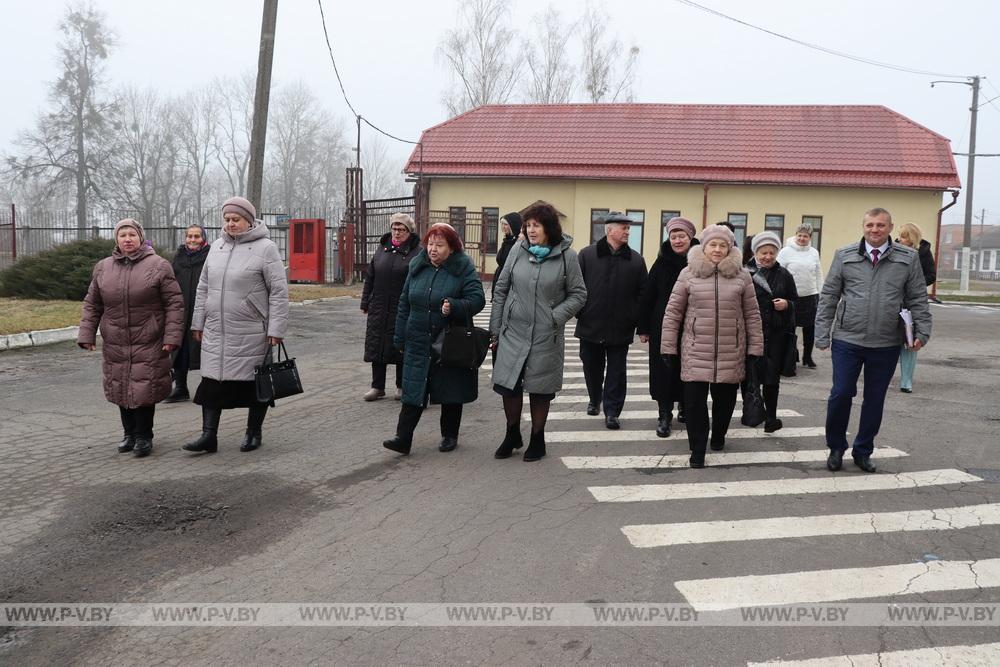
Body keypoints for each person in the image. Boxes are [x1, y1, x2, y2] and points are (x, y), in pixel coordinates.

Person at [816, 208, 932, 473]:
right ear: (863, 226)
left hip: (886, 342)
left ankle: (863, 450)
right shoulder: (844, 255)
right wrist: (822, 332)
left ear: (890, 227)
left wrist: (922, 332)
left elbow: (917, 297)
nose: (875, 230)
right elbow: (829, 295)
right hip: (848, 339)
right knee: (841, 393)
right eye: (870, 225)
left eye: (881, 225)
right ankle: (836, 447)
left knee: (875, 398)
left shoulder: (908, 258)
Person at [185, 196, 289, 454]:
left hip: (252, 330)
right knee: (211, 383)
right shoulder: (217, 247)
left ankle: (253, 432)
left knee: (255, 386)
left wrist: (276, 329)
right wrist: (198, 322)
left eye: (236, 219)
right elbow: (203, 288)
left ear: (249, 221)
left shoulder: (266, 248)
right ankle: (208, 436)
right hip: (216, 330)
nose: (231, 224)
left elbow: (278, 291)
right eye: (227, 219)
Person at [77, 219, 185, 457]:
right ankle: (129, 434)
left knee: (144, 388)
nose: (127, 239)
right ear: (116, 239)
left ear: (140, 238)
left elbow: (175, 304)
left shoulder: (159, 265)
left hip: (149, 338)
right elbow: (92, 303)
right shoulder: (103, 267)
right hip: (116, 340)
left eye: (132, 235)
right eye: (122, 235)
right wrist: (87, 334)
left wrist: (172, 337)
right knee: (121, 387)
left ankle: (144, 436)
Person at [490, 202, 587, 462]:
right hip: (513, 331)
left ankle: (537, 437)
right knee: (508, 385)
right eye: (528, 225)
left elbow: (579, 294)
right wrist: (496, 329)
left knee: (539, 388)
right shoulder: (518, 250)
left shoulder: (568, 256)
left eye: (537, 225)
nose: (531, 230)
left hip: (546, 333)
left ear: (549, 228)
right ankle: (512, 434)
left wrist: (555, 316)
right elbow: (501, 289)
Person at [661, 224, 764, 468]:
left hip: (731, 350)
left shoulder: (742, 275)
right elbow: (673, 312)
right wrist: (667, 347)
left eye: (722, 245)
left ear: (730, 248)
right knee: (695, 403)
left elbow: (752, 314)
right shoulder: (688, 273)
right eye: (712, 245)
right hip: (695, 349)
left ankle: (718, 435)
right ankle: (697, 449)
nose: (717, 250)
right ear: (704, 247)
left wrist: (755, 349)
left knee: (725, 402)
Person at [382, 223, 486, 455]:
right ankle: (403, 438)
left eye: (439, 245)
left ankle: (449, 435)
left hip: (448, 340)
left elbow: (477, 299)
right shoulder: (417, 266)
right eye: (430, 244)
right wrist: (399, 337)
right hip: (417, 337)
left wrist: (456, 306)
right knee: (413, 388)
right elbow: (404, 303)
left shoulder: (463, 268)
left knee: (449, 387)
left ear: (452, 248)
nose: (433, 249)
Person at [574, 212, 648, 429]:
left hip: (621, 326)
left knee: (617, 371)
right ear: (609, 230)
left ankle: (612, 412)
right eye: (623, 228)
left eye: (628, 228)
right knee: (591, 365)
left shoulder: (636, 260)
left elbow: (643, 294)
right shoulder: (587, 255)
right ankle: (594, 398)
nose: (627, 232)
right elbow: (576, 287)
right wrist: (581, 312)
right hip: (591, 323)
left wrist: (635, 318)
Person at [636, 217, 698, 437]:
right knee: (663, 370)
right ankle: (664, 414)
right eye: (673, 237)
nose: (677, 240)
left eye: (682, 236)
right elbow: (647, 295)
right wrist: (643, 328)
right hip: (663, 325)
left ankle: (685, 406)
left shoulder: (700, 261)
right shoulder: (661, 262)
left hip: (693, 326)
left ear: (691, 238)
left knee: (689, 369)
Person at [361, 213, 420, 401]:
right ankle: (377, 386)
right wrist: (365, 302)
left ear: (409, 232)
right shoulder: (382, 249)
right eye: (394, 228)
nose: (397, 232)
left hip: (402, 307)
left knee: (400, 346)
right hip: (378, 305)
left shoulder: (416, 252)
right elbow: (370, 276)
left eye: (401, 229)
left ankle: (401, 386)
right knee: (377, 345)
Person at [745, 231, 799, 433]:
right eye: (763, 252)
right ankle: (752, 411)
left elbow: (796, 302)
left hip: (776, 335)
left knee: (771, 380)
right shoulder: (745, 273)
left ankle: (771, 417)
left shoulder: (784, 274)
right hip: (752, 333)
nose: (767, 257)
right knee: (751, 378)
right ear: (755, 252)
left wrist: (787, 304)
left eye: (772, 252)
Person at [164, 224, 211, 403]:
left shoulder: (211, 257)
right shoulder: (178, 258)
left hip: (203, 311)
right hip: (181, 311)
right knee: (179, 349)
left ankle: (207, 387)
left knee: (204, 350)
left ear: (203, 238)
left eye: (196, 236)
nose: (192, 240)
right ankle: (181, 387)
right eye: (189, 236)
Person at [895, 222, 937, 393]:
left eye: (903, 236)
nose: (899, 239)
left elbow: (931, 275)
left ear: (912, 238)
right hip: (894, 299)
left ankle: (906, 382)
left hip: (912, 302)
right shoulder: (893, 249)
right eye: (899, 235)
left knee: (910, 341)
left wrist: (916, 283)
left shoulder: (924, 252)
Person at [777, 224, 824, 368]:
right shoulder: (785, 252)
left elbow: (817, 272)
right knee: (790, 327)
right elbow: (779, 272)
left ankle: (808, 357)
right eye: (800, 235)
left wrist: (820, 291)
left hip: (810, 295)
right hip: (792, 296)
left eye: (806, 236)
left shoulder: (814, 252)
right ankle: (792, 355)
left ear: (810, 238)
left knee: (810, 328)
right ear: (795, 235)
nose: (802, 238)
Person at [491, 211, 522, 301]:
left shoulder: (518, 243)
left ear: (513, 225)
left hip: (510, 284)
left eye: (506, 224)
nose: (503, 227)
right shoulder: (506, 241)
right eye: (502, 224)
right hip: (500, 279)